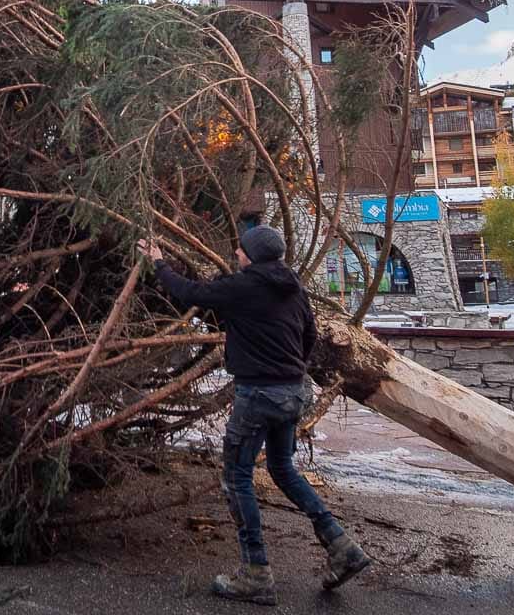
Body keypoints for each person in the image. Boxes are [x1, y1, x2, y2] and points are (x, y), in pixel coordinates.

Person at [144, 226, 373, 605]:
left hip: (259, 394)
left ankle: (256, 573)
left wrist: (158, 262)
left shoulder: (243, 286)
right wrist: (288, 368)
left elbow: (190, 293)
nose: (236, 253)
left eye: (240, 249)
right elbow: (309, 336)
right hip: (293, 391)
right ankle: (342, 546)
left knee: (237, 478)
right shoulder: (293, 288)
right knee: (283, 469)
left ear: (251, 254)